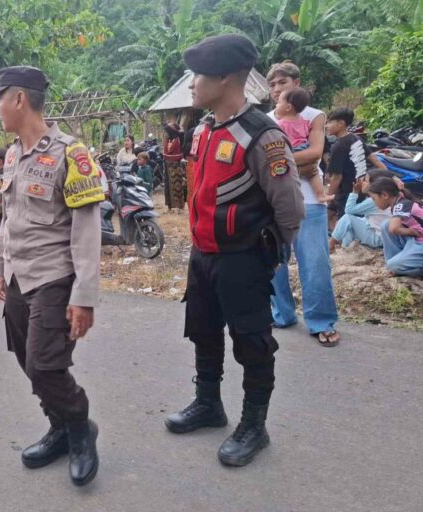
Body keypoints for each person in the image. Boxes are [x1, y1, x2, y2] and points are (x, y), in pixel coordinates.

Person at [165, 35, 304, 468]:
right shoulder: (204, 129)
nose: (191, 84)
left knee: (252, 341)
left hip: (243, 257)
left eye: (198, 75)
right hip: (203, 255)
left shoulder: (263, 134)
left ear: (225, 77)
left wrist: (276, 252)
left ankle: (254, 425)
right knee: (203, 330)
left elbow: (289, 204)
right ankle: (209, 403)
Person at [0, 66, 103, 487]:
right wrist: (0, 265)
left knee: (44, 365)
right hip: (20, 274)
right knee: (25, 358)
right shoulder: (15, 153)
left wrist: (84, 295)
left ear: (19, 99)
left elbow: (86, 230)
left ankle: (80, 428)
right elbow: (10, 214)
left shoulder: (72, 154)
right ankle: (58, 426)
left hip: (55, 277)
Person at [266, 61, 340, 347]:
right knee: (273, 263)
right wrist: (296, 163)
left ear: (296, 83)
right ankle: (282, 314)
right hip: (273, 201)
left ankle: (321, 321)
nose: (275, 89)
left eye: (281, 83)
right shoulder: (265, 118)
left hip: (310, 200)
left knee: (315, 264)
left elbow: (316, 152)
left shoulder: (315, 115)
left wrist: (277, 161)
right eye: (272, 84)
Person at [273, 88, 332, 204]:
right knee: (313, 172)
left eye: (279, 103)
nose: (276, 105)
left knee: (287, 174)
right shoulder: (303, 120)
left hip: (291, 150)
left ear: (288, 107)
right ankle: (321, 195)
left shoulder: (280, 124)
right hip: (305, 147)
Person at [324, 108, 375, 228]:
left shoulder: (339, 146)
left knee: (346, 224)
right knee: (330, 213)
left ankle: (342, 241)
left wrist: (328, 197)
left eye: (330, 122)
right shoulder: (356, 138)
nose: (327, 126)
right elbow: (374, 159)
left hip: (347, 192)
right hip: (359, 189)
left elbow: (337, 177)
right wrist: (392, 176)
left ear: (341, 124)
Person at [369, 177, 423, 277]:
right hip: (417, 241)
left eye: (374, 199)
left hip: (419, 242)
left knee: (394, 265)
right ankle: (394, 264)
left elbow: (393, 229)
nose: (374, 202)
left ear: (384, 195)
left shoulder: (401, 205)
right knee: (386, 224)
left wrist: (412, 232)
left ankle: (396, 266)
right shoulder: (400, 202)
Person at [330, 170, 396, 251]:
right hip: (380, 235)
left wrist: (355, 192)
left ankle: (331, 245)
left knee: (347, 218)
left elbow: (348, 210)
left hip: (378, 238)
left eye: (366, 181)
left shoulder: (373, 201)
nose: (362, 183)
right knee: (349, 226)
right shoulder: (379, 198)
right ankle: (346, 248)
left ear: (374, 184)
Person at [163, 123, 185, 210]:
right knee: (168, 186)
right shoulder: (168, 139)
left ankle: (179, 206)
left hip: (176, 166)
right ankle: (170, 206)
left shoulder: (179, 139)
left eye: (169, 130)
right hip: (167, 165)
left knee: (177, 186)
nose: (167, 132)